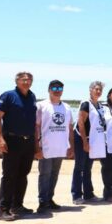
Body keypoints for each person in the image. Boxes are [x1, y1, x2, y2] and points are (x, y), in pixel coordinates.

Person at [34, 79, 74, 213]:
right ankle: (42, 202)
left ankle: (49, 199)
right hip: (46, 147)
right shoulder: (41, 105)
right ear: (49, 90)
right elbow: (36, 127)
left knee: (54, 175)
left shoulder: (67, 107)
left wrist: (71, 146)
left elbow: (69, 127)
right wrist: (36, 147)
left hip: (61, 147)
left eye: (59, 89)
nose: (57, 91)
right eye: (54, 89)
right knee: (44, 174)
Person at [72, 80, 106, 205]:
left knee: (88, 167)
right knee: (79, 167)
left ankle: (88, 194)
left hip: (92, 140)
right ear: (90, 90)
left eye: (100, 90)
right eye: (96, 89)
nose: (98, 91)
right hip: (82, 138)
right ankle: (76, 195)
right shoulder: (86, 104)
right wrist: (84, 142)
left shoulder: (100, 106)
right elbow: (81, 122)